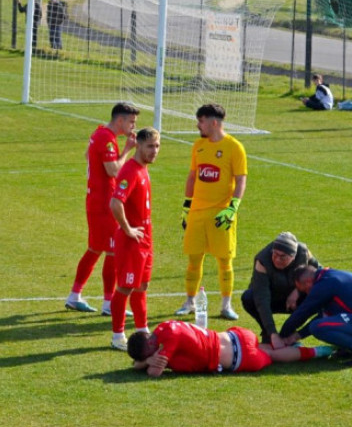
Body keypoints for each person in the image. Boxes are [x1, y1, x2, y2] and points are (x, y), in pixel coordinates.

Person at [65, 103, 139, 315]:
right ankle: (108, 304)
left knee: (95, 249)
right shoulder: (107, 139)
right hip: (105, 205)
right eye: (131, 121)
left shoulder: (99, 132)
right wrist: (127, 150)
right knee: (112, 251)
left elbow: (88, 156)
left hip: (96, 201)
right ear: (120, 121)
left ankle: (74, 295)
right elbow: (113, 170)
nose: (133, 126)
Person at [175, 103, 247, 320]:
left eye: (201, 121)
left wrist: (233, 208)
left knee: (225, 260)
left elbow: (241, 179)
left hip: (220, 214)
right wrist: (186, 207)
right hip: (197, 212)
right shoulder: (198, 146)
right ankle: (189, 302)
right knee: (194, 259)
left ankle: (226, 305)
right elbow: (192, 177)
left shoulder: (234, 147)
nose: (198, 125)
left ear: (214, 123)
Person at [127, 320, 333, 377]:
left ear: (152, 346)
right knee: (267, 347)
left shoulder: (167, 344)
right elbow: (140, 364)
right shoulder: (164, 328)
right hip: (236, 335)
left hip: (241, 357)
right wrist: (145, 360)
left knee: (273, 355)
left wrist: (147, 363)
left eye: (150, 354)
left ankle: (319, 352)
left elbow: (154, 372)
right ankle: (298, 345)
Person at [109, 127, 161, 350]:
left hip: (146, 240)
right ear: (138, 145)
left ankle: (142, 330)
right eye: (150, 146)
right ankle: (118, 336)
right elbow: (115, 203)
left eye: (157, 146)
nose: (154, 151)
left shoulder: (143, 168)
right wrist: (128, 229)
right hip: (132, 242)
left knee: (142, 285)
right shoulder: (130, 171)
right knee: (125, 287)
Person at [241, 232, 320, 348]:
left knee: (317, 294)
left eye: (283, 257)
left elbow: (318, 274)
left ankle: (290, 334)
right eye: (275, 254)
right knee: (248, 297)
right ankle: (268, 335)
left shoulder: (304, 252)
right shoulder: (262, 260)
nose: (277, 259)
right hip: (272, 298)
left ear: (293, 257)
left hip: (295, 299)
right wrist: (272, 332)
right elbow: (261, 299)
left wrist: (297, 291)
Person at [280, 265, 352, 367]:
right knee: (326, 323)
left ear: (308, 281)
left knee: (317, 327)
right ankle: (348, 349)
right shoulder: (330, 276)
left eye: (304, 290)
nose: (307, 294)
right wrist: (296, 336)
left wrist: (281, 335)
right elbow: (324, 316)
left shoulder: (326, 284)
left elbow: (303, 312)